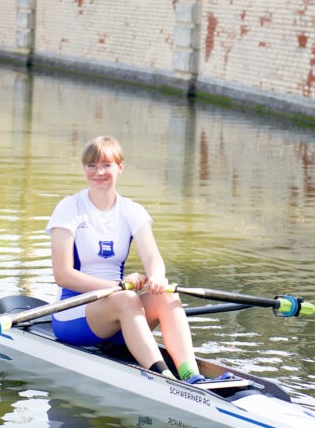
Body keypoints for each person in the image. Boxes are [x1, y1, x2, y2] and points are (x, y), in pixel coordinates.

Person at [47, 136, 208, 383]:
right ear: (84, 169)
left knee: (167, 295)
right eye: (91, 165)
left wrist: (155, 277)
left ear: (120, 168)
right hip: (74, 313)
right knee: (126, 299)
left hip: (121, 310)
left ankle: (191, 375)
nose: (98, 172)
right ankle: (162, 377)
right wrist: (118, 287)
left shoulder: (132, 211)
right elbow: (63, 275)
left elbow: (153, 257)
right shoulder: (69, 208)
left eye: (106, 165)